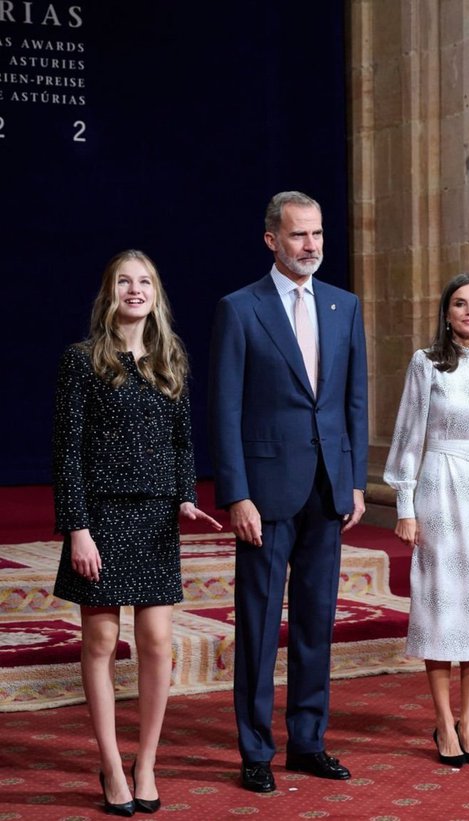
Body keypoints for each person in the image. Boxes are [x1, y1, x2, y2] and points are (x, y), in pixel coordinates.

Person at [209, 191, 368, 793]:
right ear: (272, 239)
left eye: (318, 235)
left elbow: (353, 399)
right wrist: (237, 495)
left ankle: (308, 741)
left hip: (329, 486)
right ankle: (255, 749)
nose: (311, 246)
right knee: (256, 624)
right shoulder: (240, 308)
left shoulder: (343, 306)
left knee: (315, 622)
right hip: (266, 492)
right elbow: (225, 410)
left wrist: (354, 481)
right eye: (299, 236)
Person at [53, 250, 221, 816]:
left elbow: (182, 442)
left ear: (156, 293)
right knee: (100, 643)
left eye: (144, 281)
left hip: (154, 523)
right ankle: (109, 762)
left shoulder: (170, 360)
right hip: (99, 518)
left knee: (155, 643)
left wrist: (187, 498)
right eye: (124, 281)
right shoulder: (82, 362)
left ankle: (145, 761)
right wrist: (77, 529)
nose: (135, 289)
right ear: (110, 293)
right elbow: (67, 452)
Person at [384, 274, 469, 767]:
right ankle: (443, 722)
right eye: (460, 304)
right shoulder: (427, 363)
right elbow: (407, 433)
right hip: (439, 490)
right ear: (447, 313)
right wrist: (404, 505)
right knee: (441, 609)